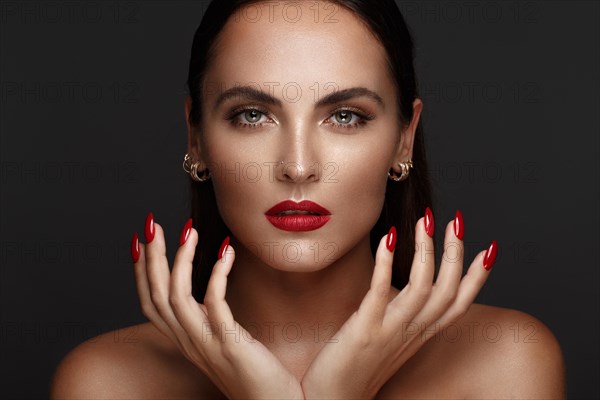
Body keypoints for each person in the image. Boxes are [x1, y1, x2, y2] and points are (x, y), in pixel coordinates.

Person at [50, 0, 565, 398]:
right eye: (252, 114)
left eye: (345, 116)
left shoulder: (504, 362)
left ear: (404, 139)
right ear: (196, 138)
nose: (297, 166)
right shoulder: (107, 382)